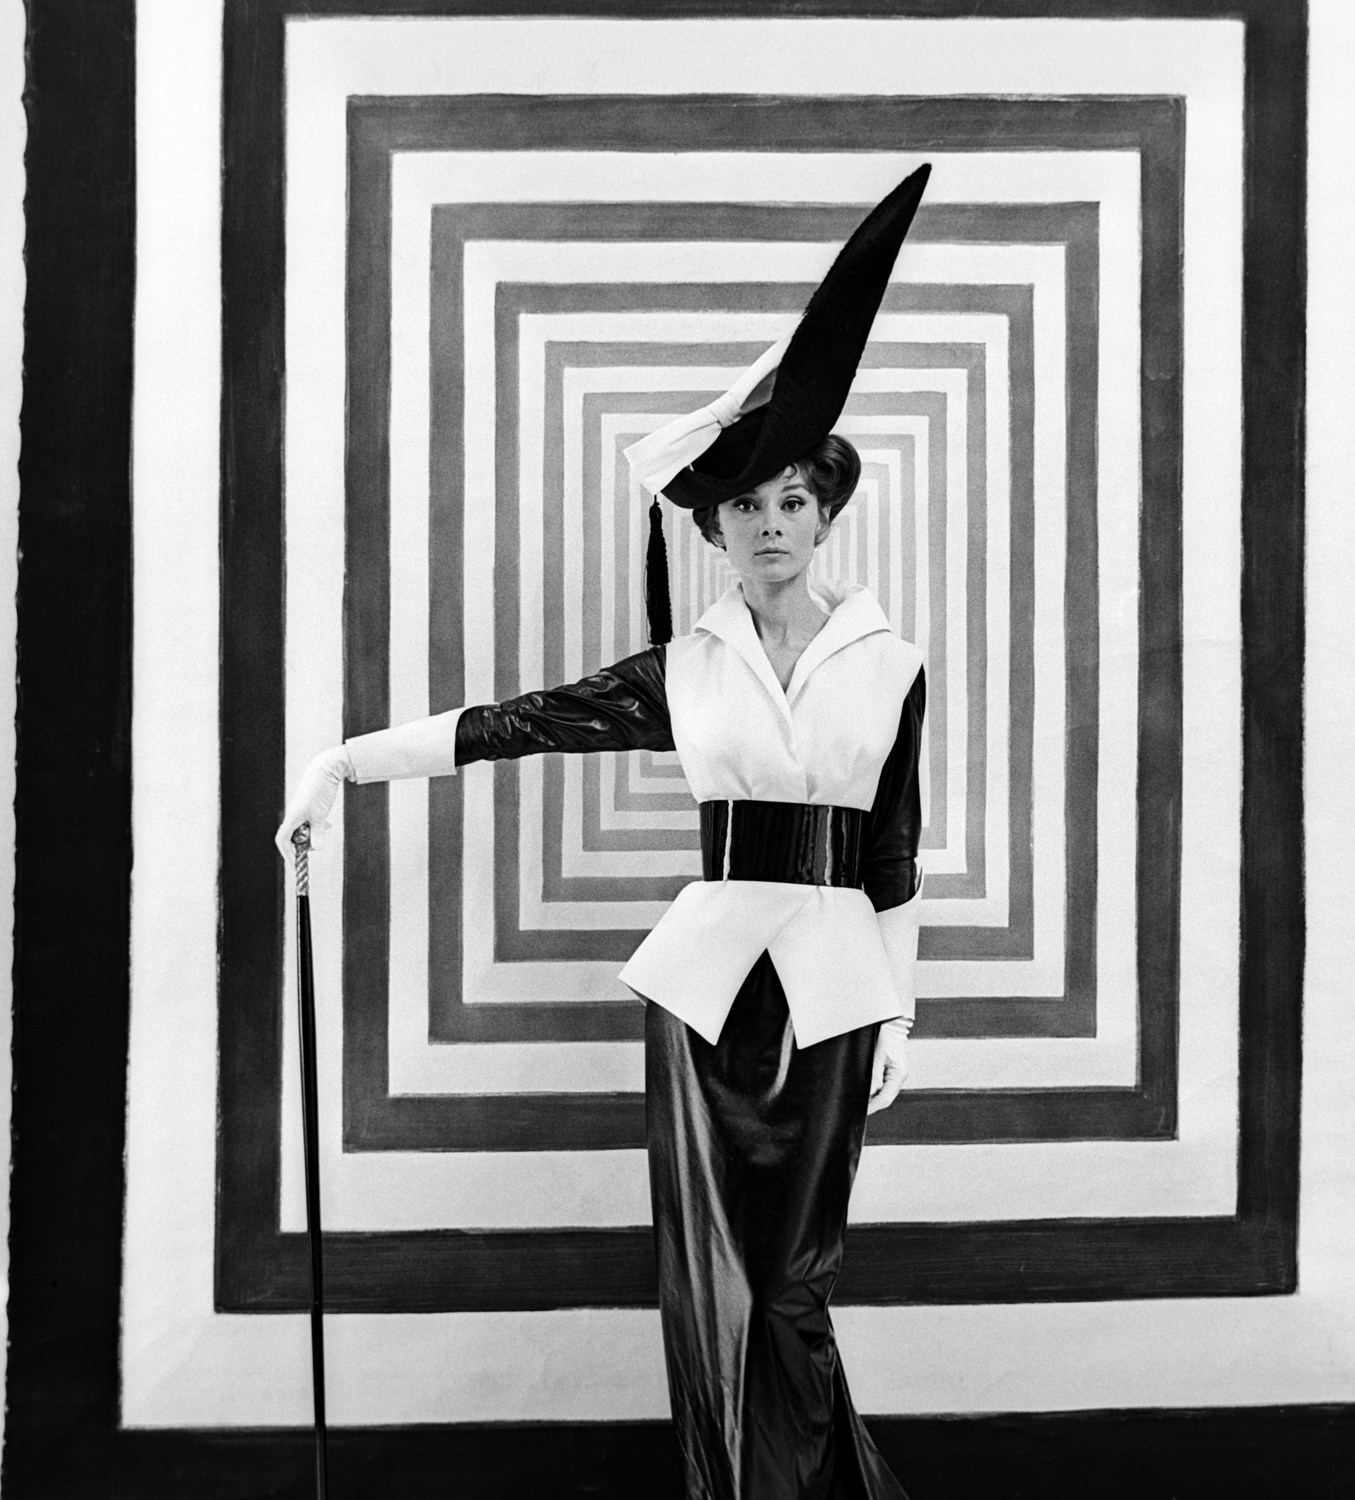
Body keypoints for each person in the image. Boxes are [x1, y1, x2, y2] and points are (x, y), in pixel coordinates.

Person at [278, 165, 932, 1500]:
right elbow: (510, 725)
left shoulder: (893, 665)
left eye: (790, 502)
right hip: (705, 997)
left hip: (836, 991)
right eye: (743, 507)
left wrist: (902, 1013)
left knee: (796, 1283)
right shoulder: (681, 669)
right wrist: (341, 763)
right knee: (714, 1285)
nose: (769, 525)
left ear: (824, 512)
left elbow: (891, 853)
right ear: (714, 528)